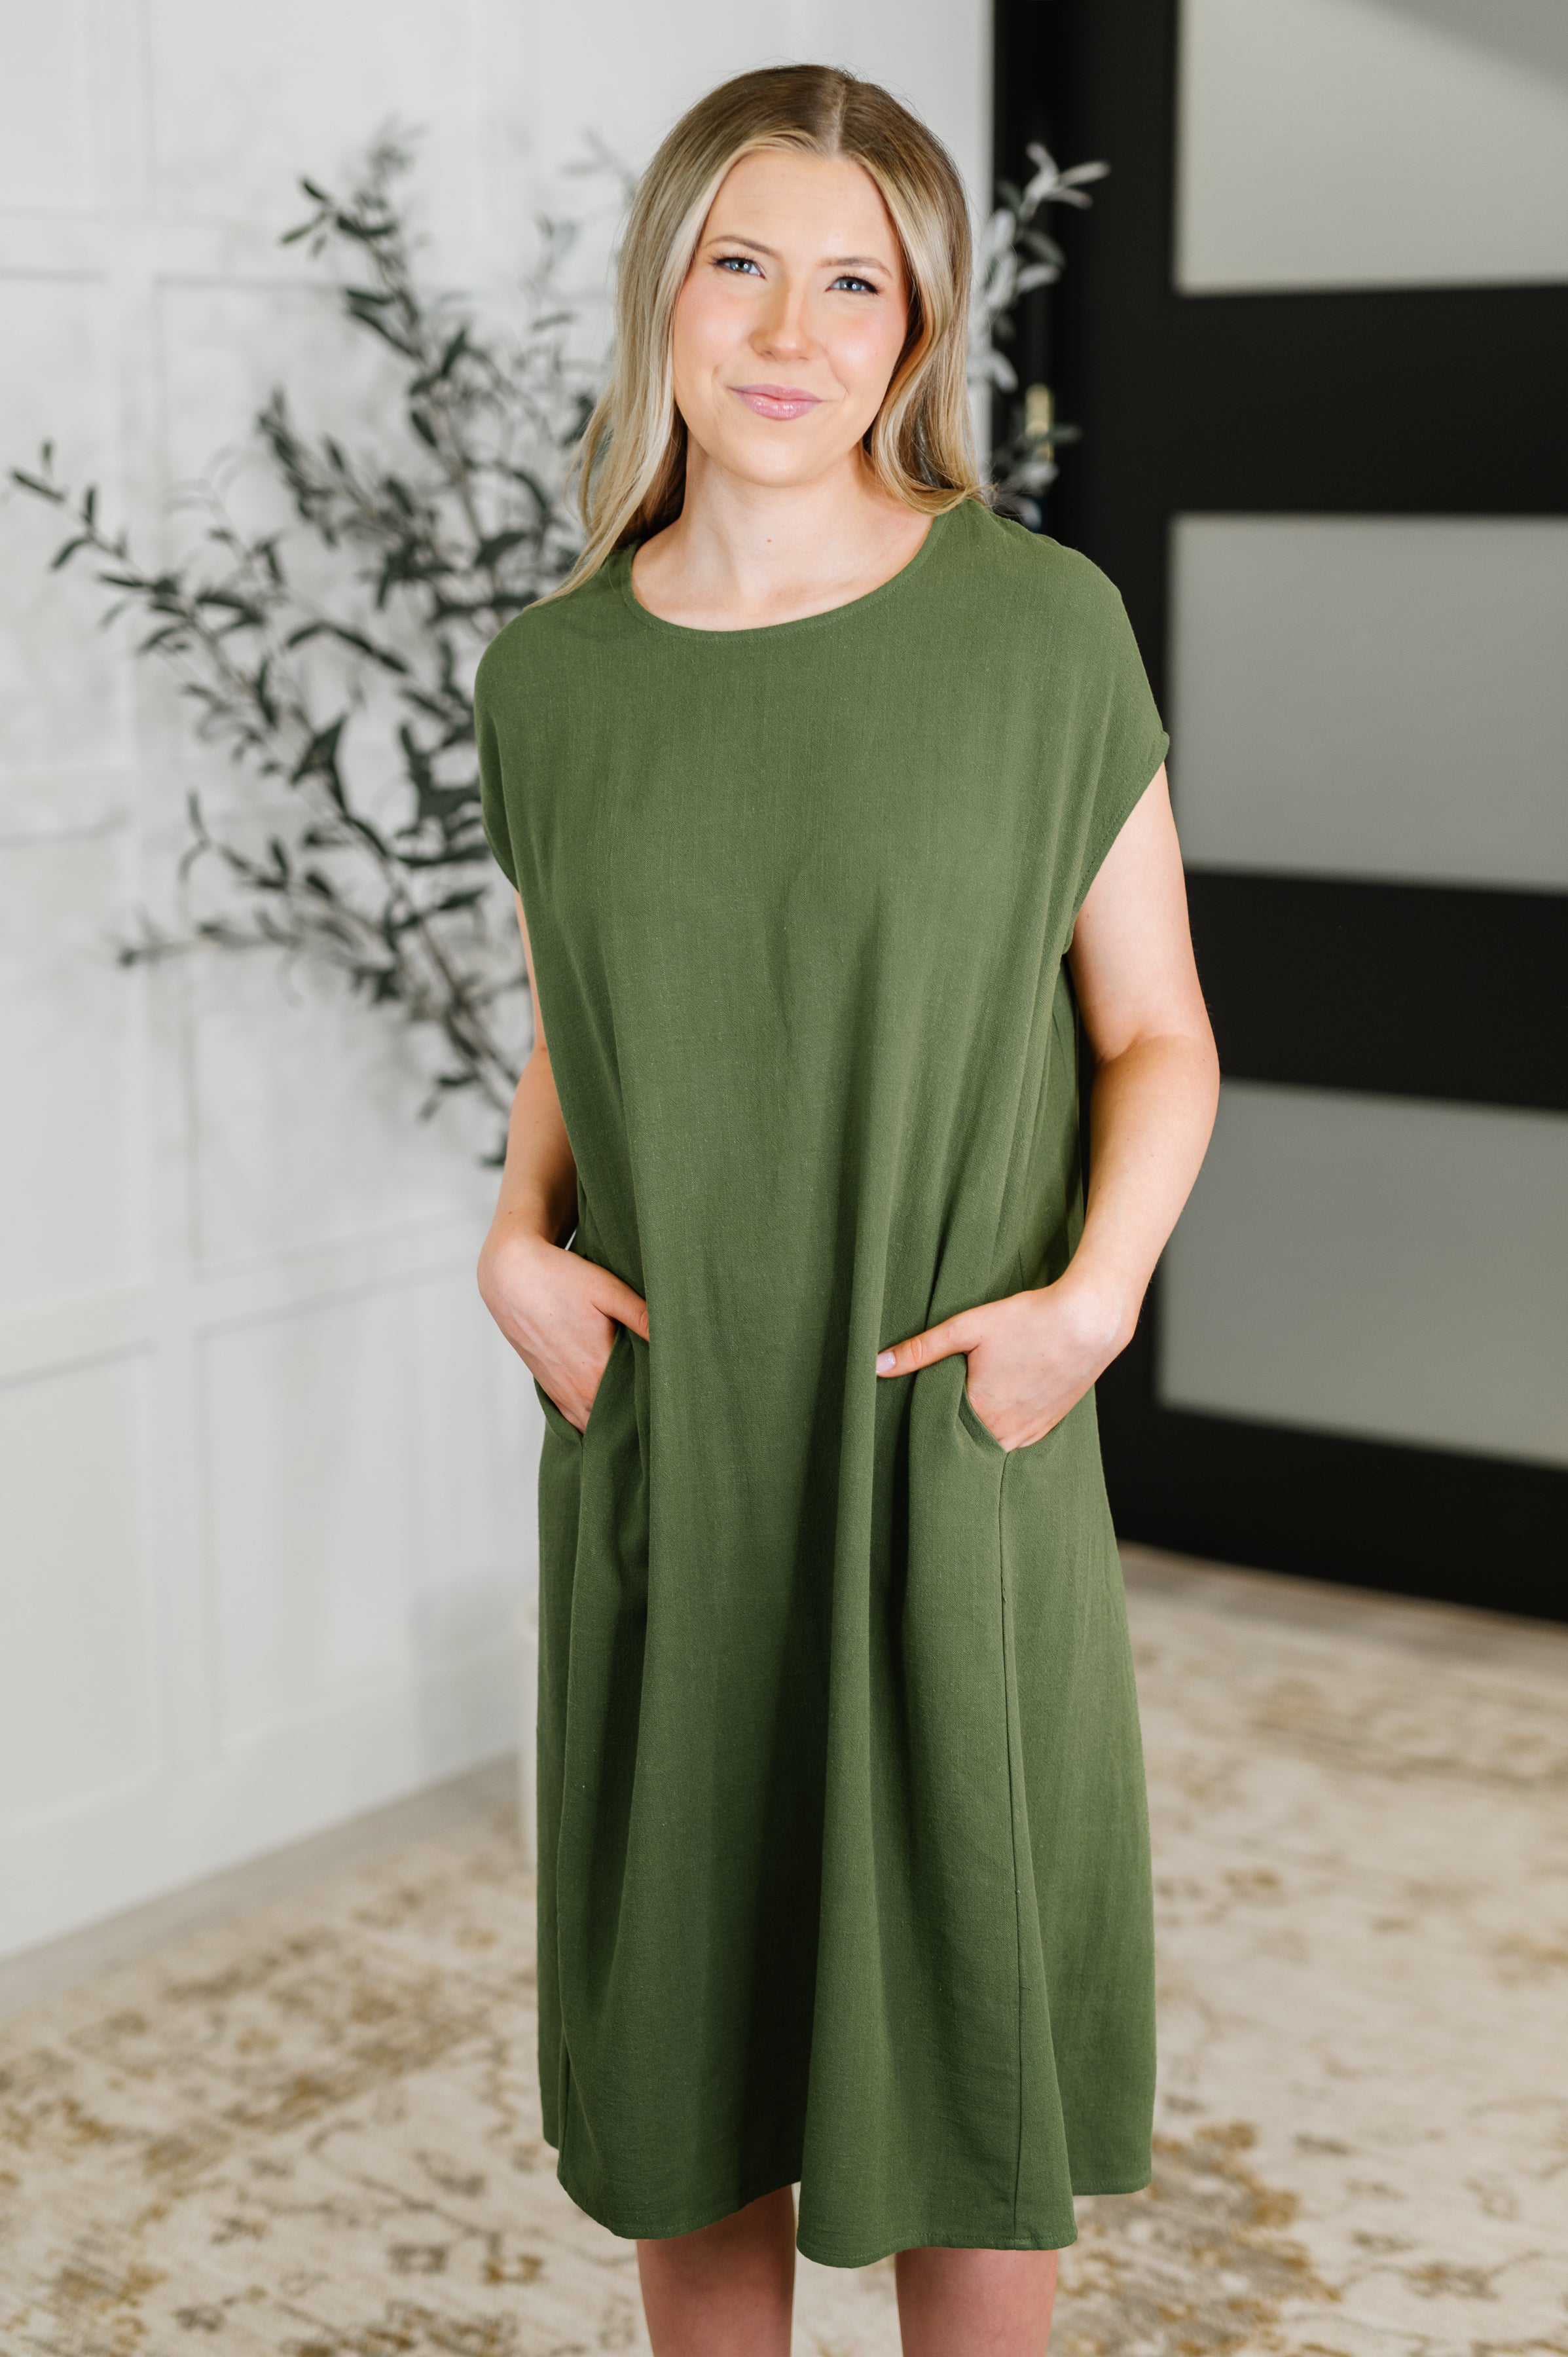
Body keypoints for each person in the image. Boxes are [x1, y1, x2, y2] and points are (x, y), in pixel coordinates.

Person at [474, 62, 1219, 2357]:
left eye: (854, 282)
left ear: (916, 332)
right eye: (741, 264)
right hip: (672, 1447)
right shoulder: (553, 676)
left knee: (956, 2048)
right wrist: (513, 1240)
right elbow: (581, 1014)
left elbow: (1155, 1038)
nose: (789, 331)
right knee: (685, 2039)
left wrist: (1082, 1310)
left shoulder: (1034, 634)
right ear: (664, 291)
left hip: (938, 1436)